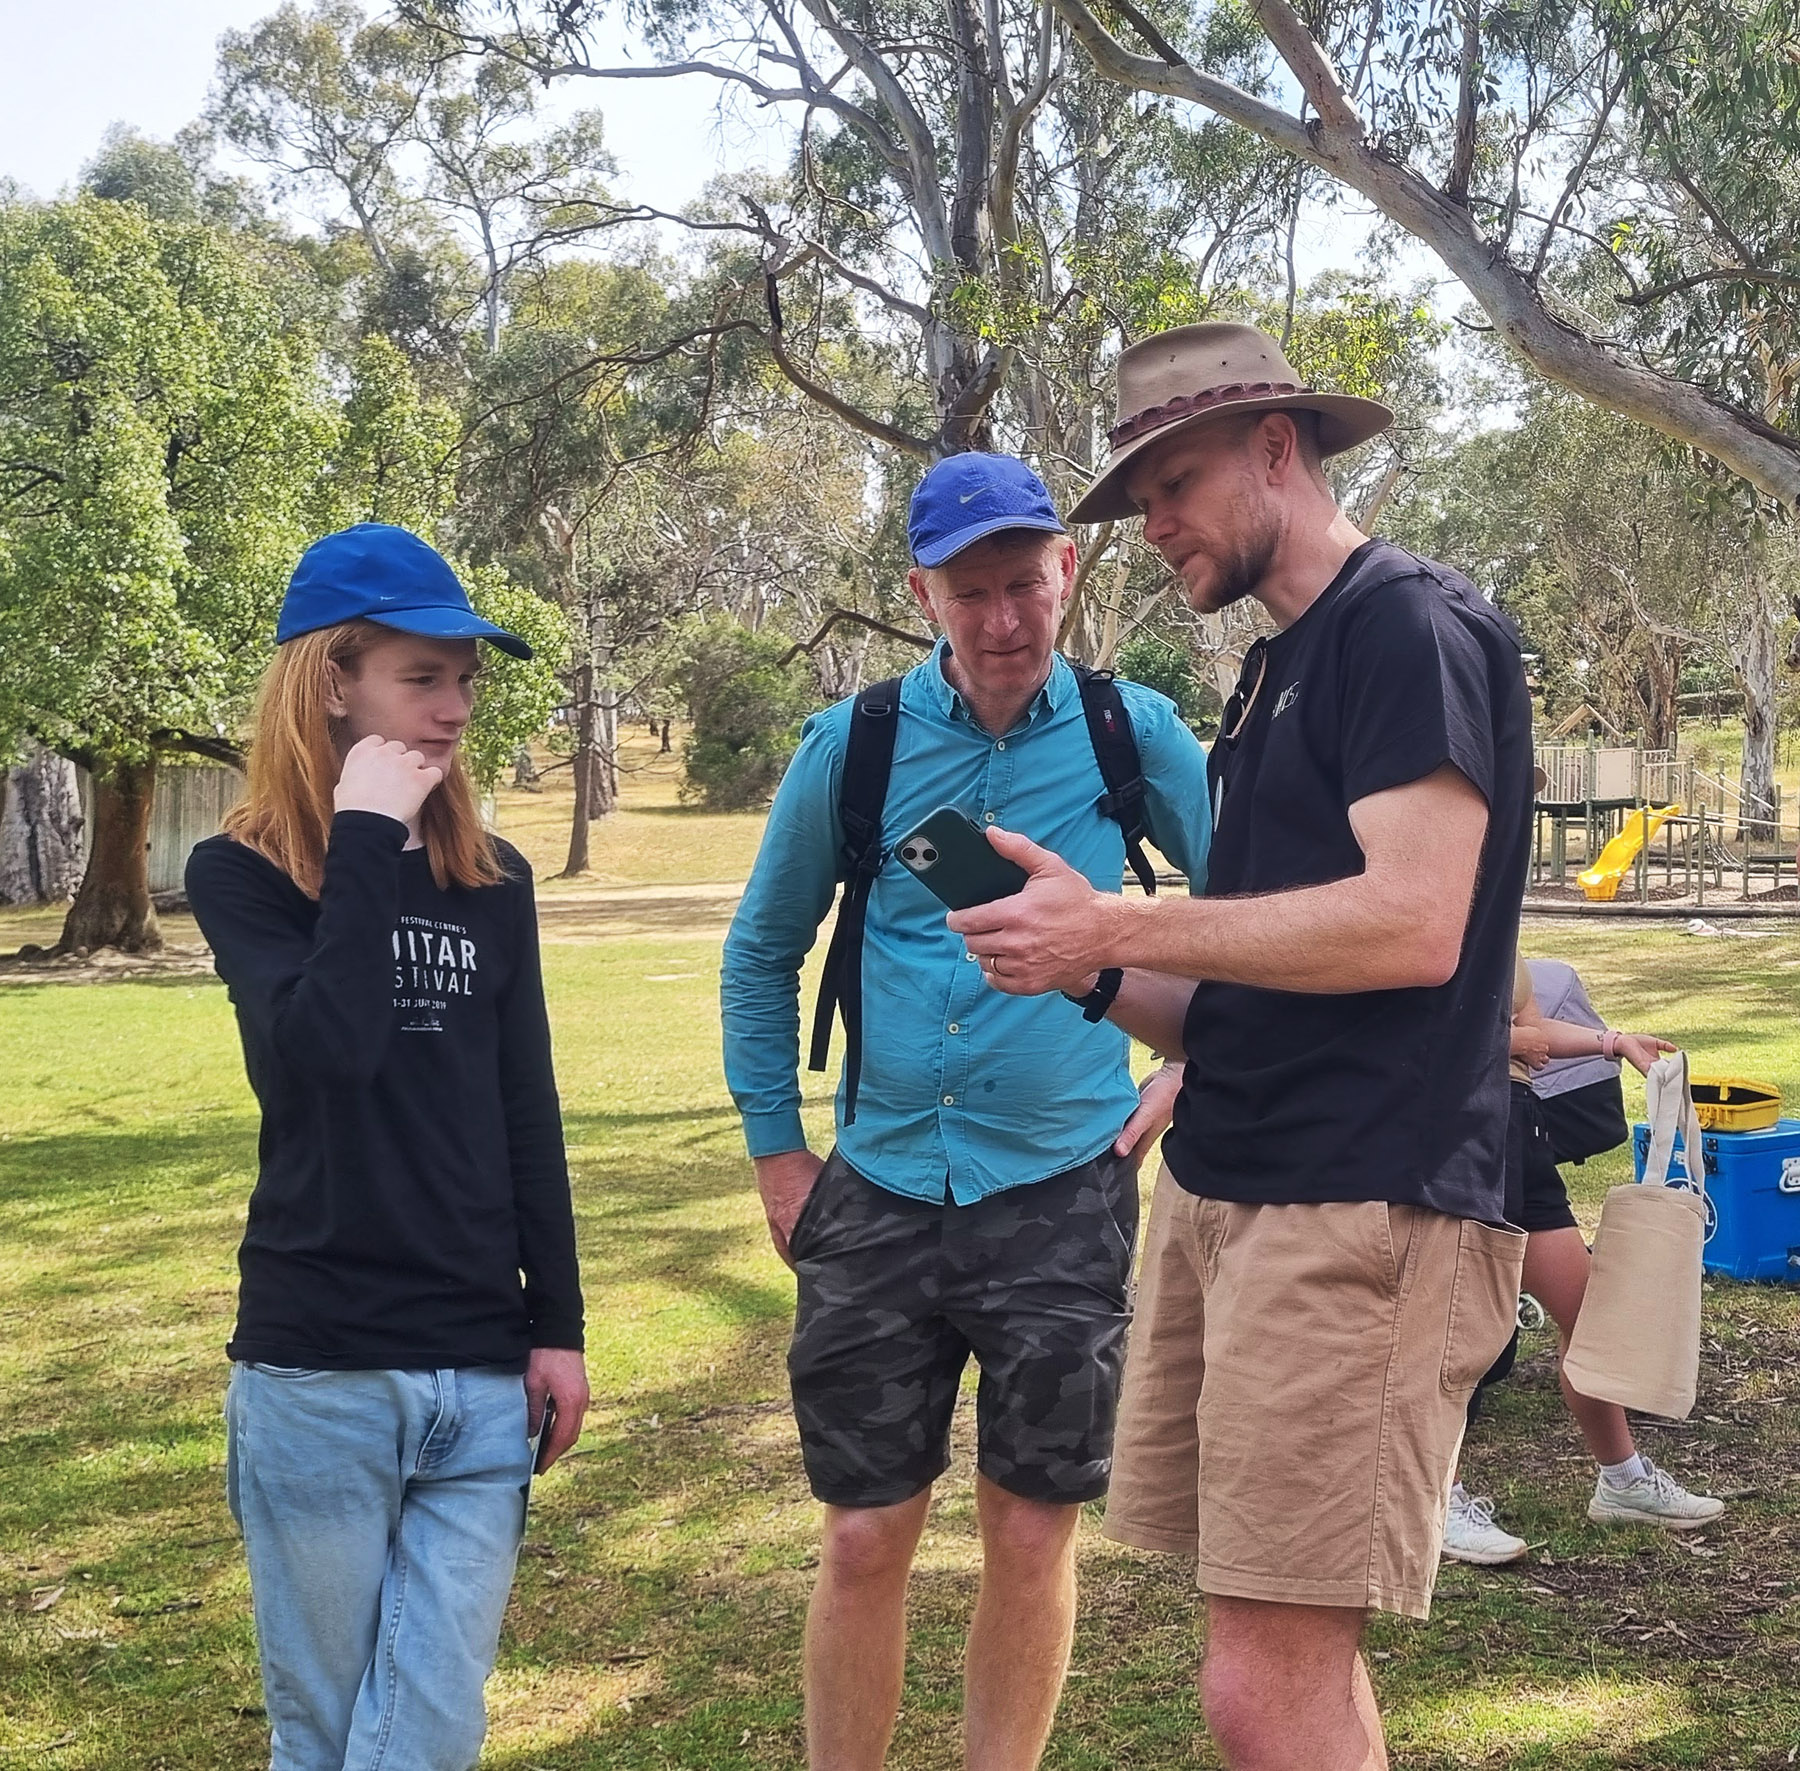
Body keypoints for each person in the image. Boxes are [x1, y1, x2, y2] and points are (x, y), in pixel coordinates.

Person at [947, 322, 1533, 1771]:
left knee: (1261, 1691)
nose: (1152, 527)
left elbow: (1413, 923)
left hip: (1363, 1201)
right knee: (1283, 1667)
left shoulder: (1408, 626)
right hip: (1235, 1191)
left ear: (1281, 447)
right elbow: (1247, 991)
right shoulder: (1271, 677)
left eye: (1176, 484)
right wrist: (1080, 965)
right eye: (1138, 499)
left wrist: (1128, 920)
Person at [719, 452, 1212, 1771]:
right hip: (877, 1186)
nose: (1004, 619)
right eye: (972, 589)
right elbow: (762, 947)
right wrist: (779, 1151)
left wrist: (1193, 1066)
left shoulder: (1136, 736)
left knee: (1033, 1522)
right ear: (923, 591)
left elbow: (1257, 921)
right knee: (864, 1528)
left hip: (1061, 1184)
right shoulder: (857, 744)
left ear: (1069, 570)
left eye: (1026, 582)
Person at [185, 524, 589, 1771]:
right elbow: (323, 1061)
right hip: (321, 1374)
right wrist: (364, 834)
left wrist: (559, 1323)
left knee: (429, 1723)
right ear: (333, 681)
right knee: (323, 1732)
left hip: (477, 1371)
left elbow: (526, 1102)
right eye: (426, 677)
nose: (459, 707)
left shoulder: (494, 877)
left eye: (467, 678)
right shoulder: (241, 872)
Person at [1443, 956, 1725, 1565]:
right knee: (1456, 1327)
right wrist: (1512, 1040)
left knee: (1589, 1312)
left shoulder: (1499, 928)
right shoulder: (1422, 916)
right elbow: (1401, 1030)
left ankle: (1622, 1480)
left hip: (1519, 1123)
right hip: (1453, 1128)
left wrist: (1612, 1042)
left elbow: (1534, 1030)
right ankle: (1438, 1497)